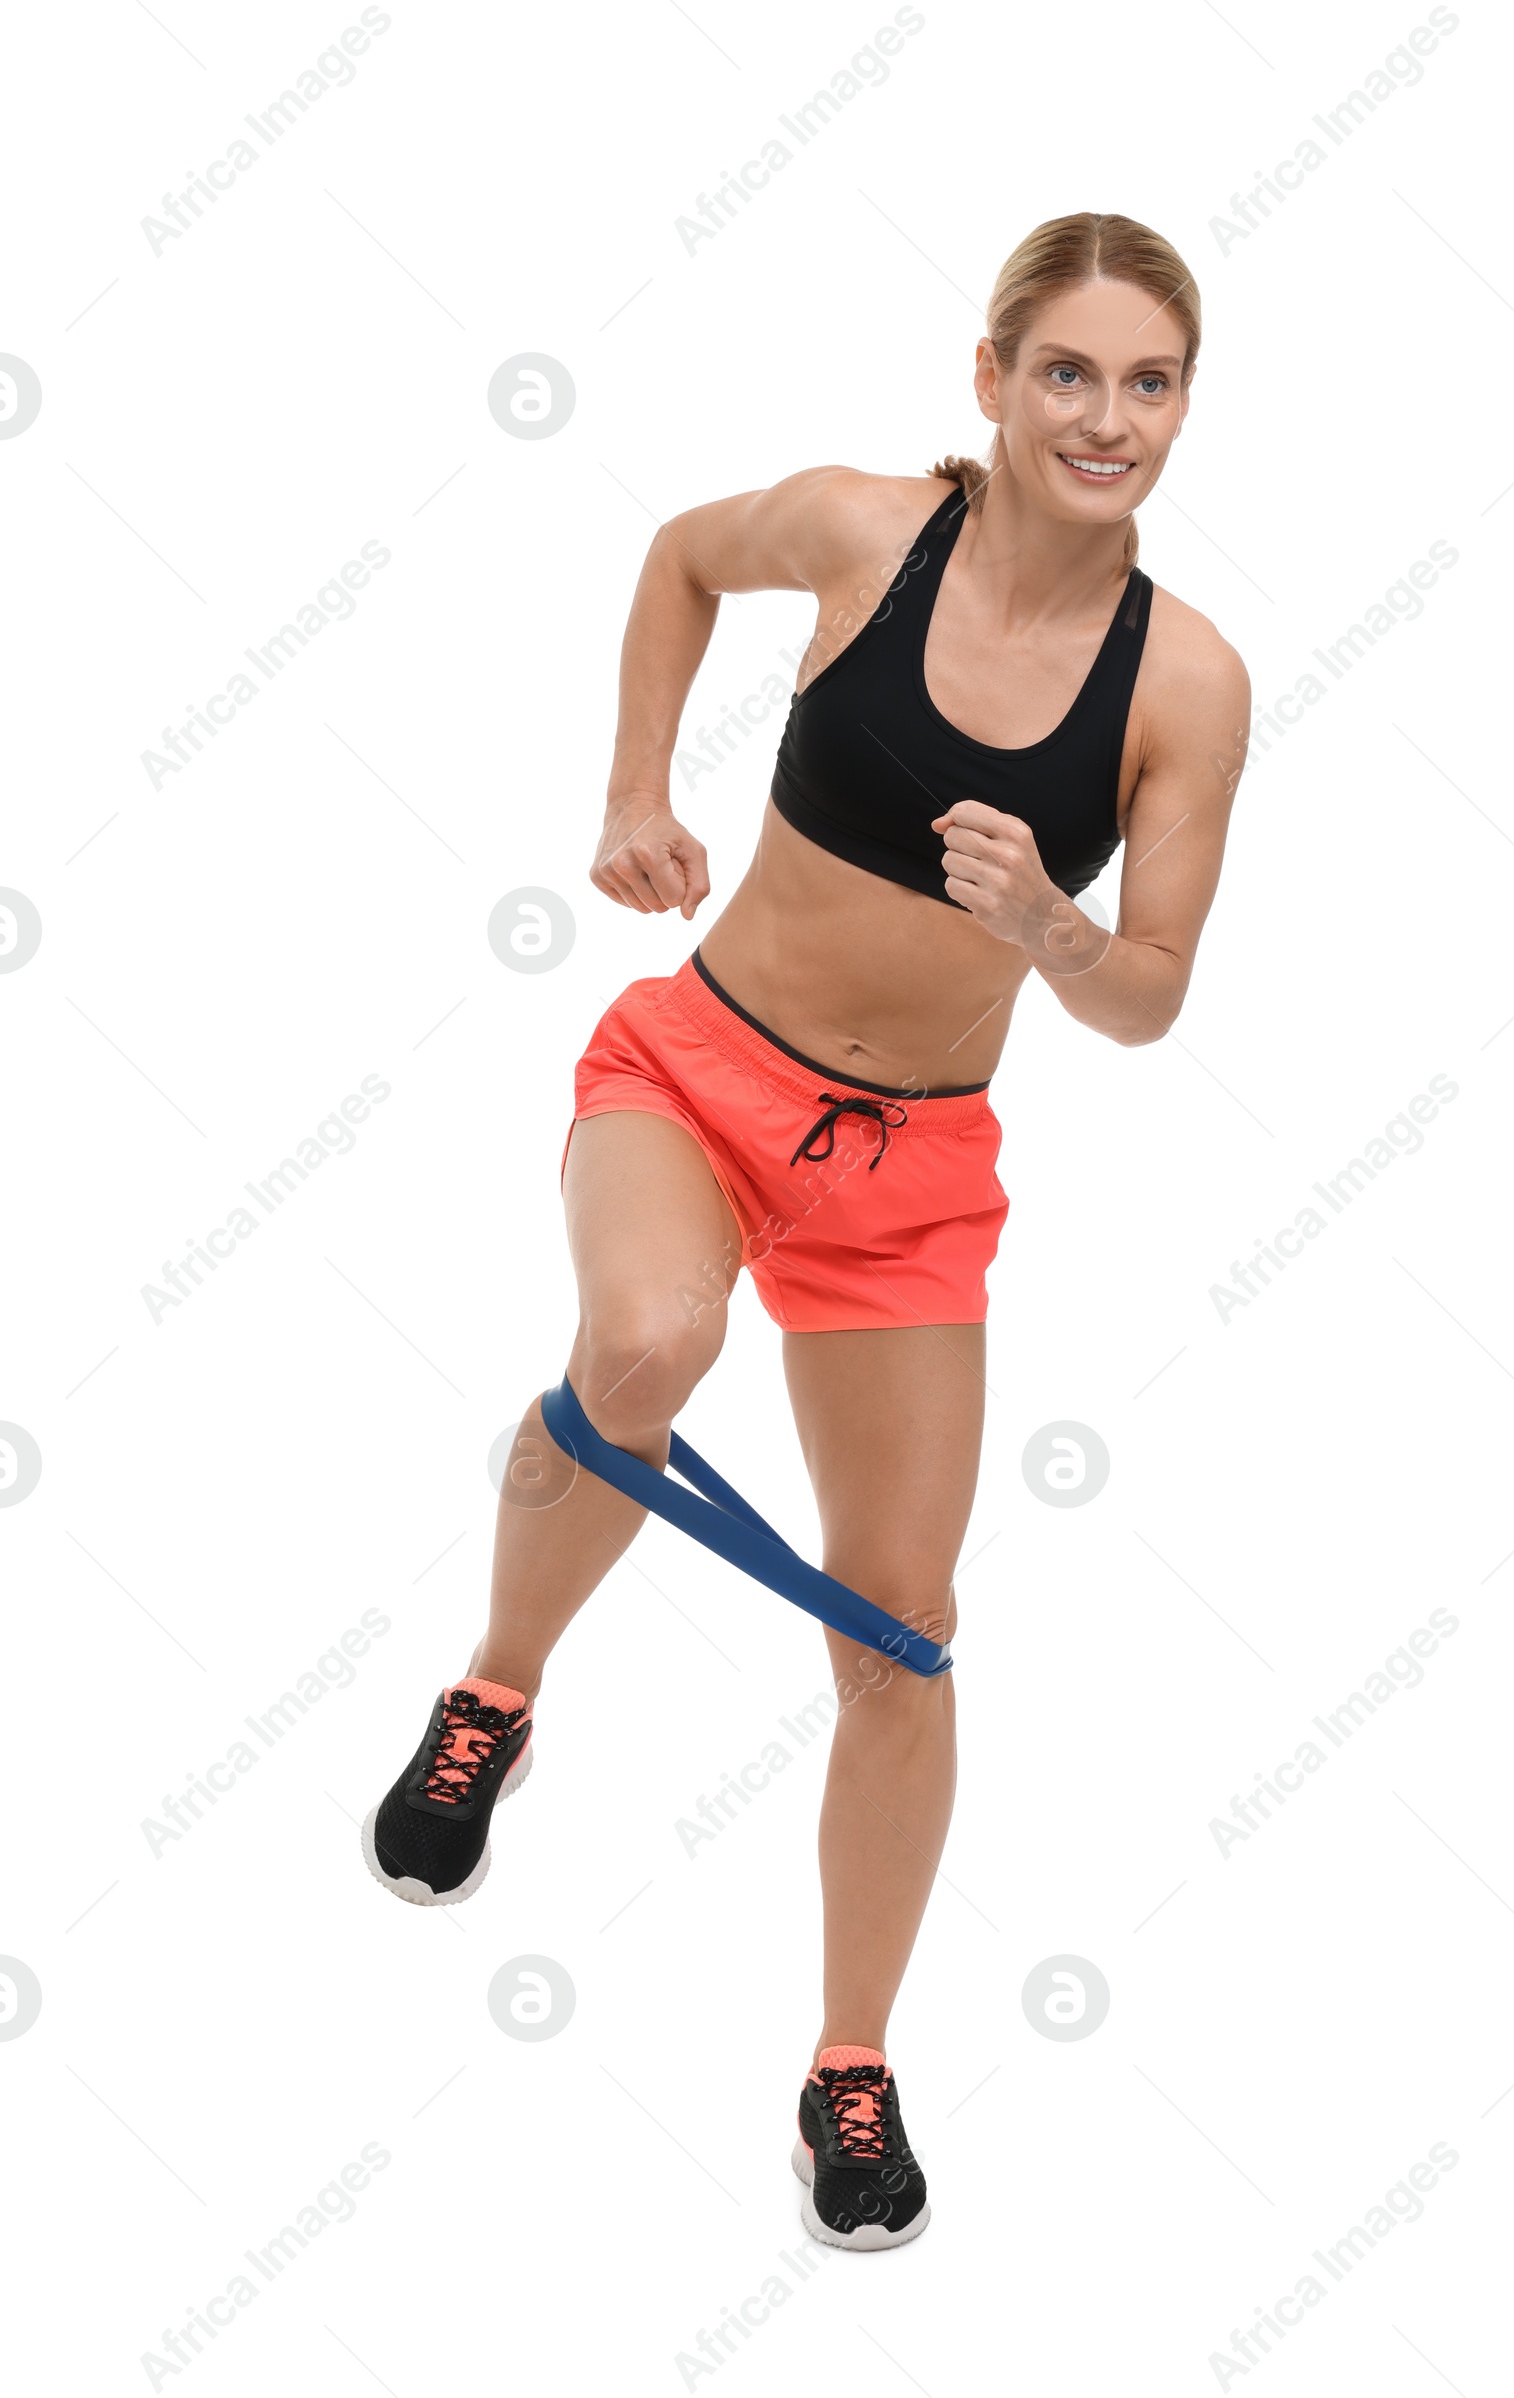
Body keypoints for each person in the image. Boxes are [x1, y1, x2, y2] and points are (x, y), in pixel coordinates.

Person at [362, 211, 1249, 2250]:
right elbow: (678, 553)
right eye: (1069, 372)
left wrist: (1047, 925)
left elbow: (1150, 995)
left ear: (1178, 406)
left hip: (910, 1175)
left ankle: (845, 2070)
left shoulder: (1181, 684)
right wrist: (627, 790)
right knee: (644, 1353)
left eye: (1148, 382)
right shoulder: (864, 532)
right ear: (991, 379)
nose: (1105, 417)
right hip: (698, 1073)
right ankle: (494, 1690)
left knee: (898, 1638)